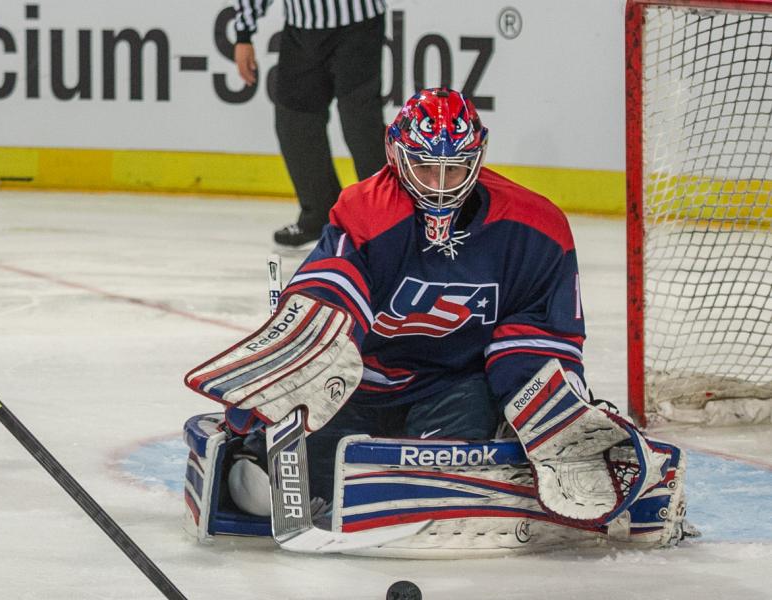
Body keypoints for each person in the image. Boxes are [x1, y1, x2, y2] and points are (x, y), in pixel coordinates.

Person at [183, 88, 687, 551]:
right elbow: (327, 306)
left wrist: (541, 413)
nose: (441, 185)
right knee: (259, 487)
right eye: (425, 168)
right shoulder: (366, 213)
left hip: (454, 386)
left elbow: (542, 337)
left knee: (461, 453)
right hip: (361, 384)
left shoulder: (536, 229)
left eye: (455, 168)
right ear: (396, 154)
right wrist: (287, 372)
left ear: (478, 156)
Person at [231, 0, 388, 249]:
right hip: (302, 29)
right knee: (295, 122)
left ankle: (386, 218)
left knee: (361, 124)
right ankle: (320, 215)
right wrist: (243, 33)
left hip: (359, 25)